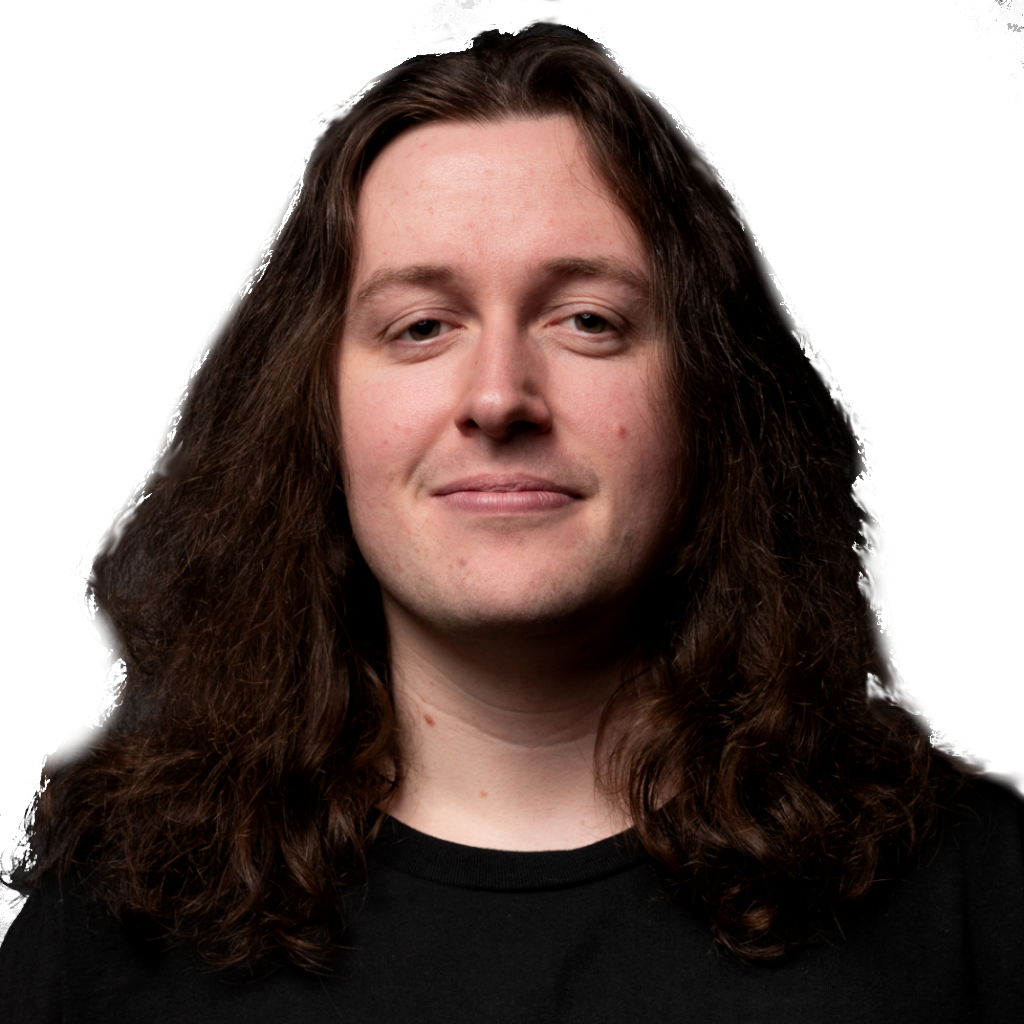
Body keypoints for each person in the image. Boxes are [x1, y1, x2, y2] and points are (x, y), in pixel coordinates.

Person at [2, 22, 1021, 1023]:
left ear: (708, 398)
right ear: (316, 409)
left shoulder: (983, 891)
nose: (498, 397)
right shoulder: (113, 923)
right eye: (421, 326)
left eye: (588, 320)